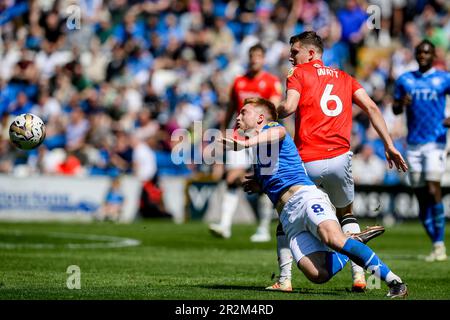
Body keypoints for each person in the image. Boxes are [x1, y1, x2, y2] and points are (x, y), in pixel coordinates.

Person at [221, 97, 408, 298]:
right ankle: (354, 242)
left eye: (243, 112)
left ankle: (395, 282)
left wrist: (245, 143)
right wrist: (258, 184)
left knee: (333, 238)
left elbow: (279, 132)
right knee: (318, 274)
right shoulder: (258, 151)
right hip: (287, 216)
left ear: (260, 118)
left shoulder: (271, 128)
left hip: (306, 199)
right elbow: (274, 178)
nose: (238, 116)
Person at [271, 31, 408, 292]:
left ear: (311, 54)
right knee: (346, 214)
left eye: (294, 51)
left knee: (287, 216)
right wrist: (389, 145)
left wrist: (266, 114)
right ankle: (359, 277)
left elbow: (288, 108)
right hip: (339, 159)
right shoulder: (346, 77)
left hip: (307, 160)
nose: (290, 56)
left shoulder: (298, 74)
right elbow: (372, 108)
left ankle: (284, 280)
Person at [208, 43, 282, 242]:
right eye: (252, 55)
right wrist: (223, 130)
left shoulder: (271, 82)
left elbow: (274, 110)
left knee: (263, 181)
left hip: (261, 138)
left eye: (258, 56)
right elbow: (232, 107)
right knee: (231, 178)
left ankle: (263, 228)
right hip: (239, 135)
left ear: (264, 59)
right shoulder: (239, 81)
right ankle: (224, 225)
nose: (254, 59)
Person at [393, 40, 450, 262]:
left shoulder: (444, 77)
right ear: (416, 55)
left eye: (427, 52)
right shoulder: (405, 79)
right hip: (413, 143)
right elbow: (395, 110)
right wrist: (401, 103)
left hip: (435, 141)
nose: (423, 55)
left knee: (433, 187)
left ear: (433, 55)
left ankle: (439, 244)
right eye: (420, 52)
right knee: (420, 195)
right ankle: (435, 242)